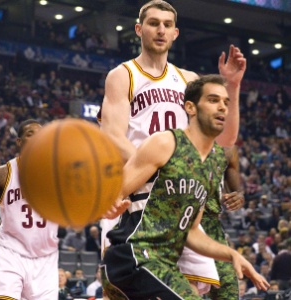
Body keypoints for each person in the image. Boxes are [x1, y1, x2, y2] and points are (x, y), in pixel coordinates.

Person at [100, 0, 246, 298]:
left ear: (176, 33)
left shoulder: (189, 80)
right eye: (154, 23)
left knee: (190, 290)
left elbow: (224, 141)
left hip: (180, 201)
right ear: (139, 29)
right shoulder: (123, 75)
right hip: (134, 194)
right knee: (122, 290)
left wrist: (232, 86)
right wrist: (160, 165)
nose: (161, 30)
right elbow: (113, 135)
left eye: (167, 25)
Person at [101, 75, 269, 299]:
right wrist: (109, 204)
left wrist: (231, 254)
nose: (221, 107)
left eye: (225, 102)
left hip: (163, 263)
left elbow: (190, 231)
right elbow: (115, 191)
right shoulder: (165, 143)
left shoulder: (211, 163)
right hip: (134, 255)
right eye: (212, 99)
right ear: (190, 107)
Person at [0, 119, 59, 299]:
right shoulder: (2, 174)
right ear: (19, 142)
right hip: (10, 253)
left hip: (45, 260)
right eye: (30, 134)